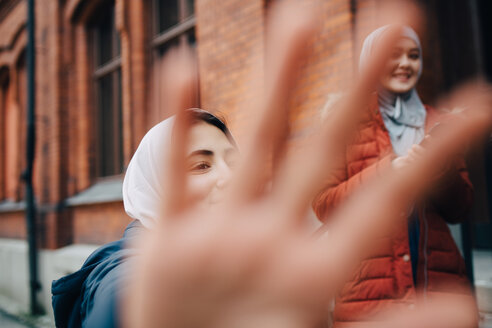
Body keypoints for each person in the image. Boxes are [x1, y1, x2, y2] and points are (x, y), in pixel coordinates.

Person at [312, 25, 475, 326]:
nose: (405, 64)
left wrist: (438, 167)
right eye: (392, 55)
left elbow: (461, 208)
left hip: (439, 283)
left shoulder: (438, 123)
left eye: (413, 55)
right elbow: (324, 204)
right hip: (371, 291)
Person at [51, 108, 239, 327]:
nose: (230, 177)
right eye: (201, 166)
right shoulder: (127, 272)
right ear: (156, 181)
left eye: (234, 163)